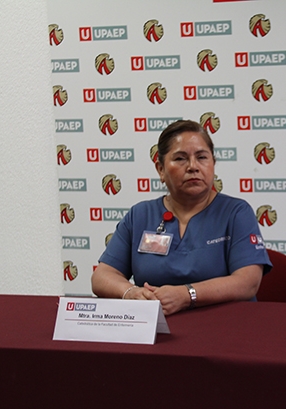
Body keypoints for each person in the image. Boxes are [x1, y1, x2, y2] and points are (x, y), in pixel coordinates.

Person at [92, 120, 271, 315]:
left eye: (202, 157)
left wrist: (187, 295)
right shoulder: (140, 215)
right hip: (156, 326)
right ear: (161, 169)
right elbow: (102, 276)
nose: (193, 166)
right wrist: (131, 292)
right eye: (180, 159)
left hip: (225, 325)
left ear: (213, 164)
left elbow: (248, 282)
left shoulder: (236, 212)